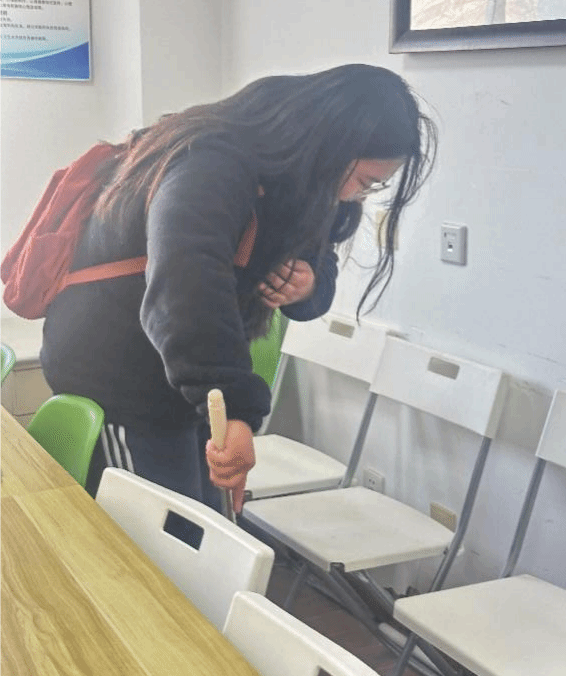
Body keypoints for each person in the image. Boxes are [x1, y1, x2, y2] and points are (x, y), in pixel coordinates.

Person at [40, 64, 437, 513]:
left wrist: (308, 286)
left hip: (188, 379)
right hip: (121, 375)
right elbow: (186, 286)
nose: (358, 198)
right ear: (333, 146)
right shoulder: (210, 162)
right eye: (366, 182)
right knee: (157, 538)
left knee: (202, 525)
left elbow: (319, 265)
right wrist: (234, 408)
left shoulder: (306, 181)